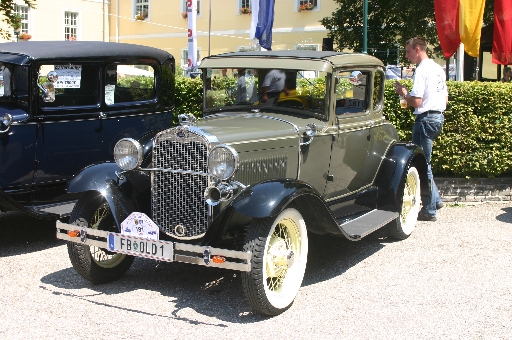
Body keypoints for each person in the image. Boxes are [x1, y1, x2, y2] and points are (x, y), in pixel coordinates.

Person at [394, 36, 448, 222]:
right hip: (438, 117)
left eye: (408, 51)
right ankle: (436, 201)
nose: (407, 55)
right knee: (427, 161)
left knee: (423, 165)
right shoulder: (437, 68)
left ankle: (430, 209)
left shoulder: (422, 70)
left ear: (417, 49)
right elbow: (445, 99)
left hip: (424, 119)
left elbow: (416, 101)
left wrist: (404, 93)